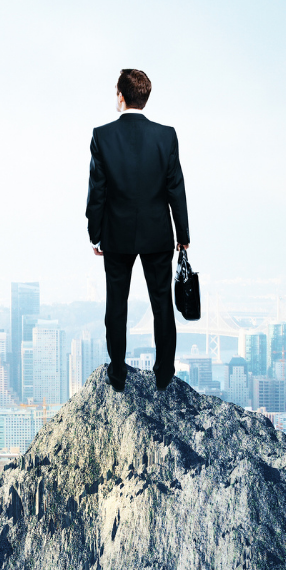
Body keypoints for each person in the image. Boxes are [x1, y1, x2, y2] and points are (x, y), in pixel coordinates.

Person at [85, 69, 190, 392]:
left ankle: (117, 374)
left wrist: (95, 233)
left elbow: (97, 191)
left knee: (116, 305)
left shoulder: (102, 136)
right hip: (158, 234)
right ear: (145, 96)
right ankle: (163, 374)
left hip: (116, 234)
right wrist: (183, 237)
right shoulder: (166, 135)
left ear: (121, 95)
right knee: (162, 305)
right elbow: (176, 189)